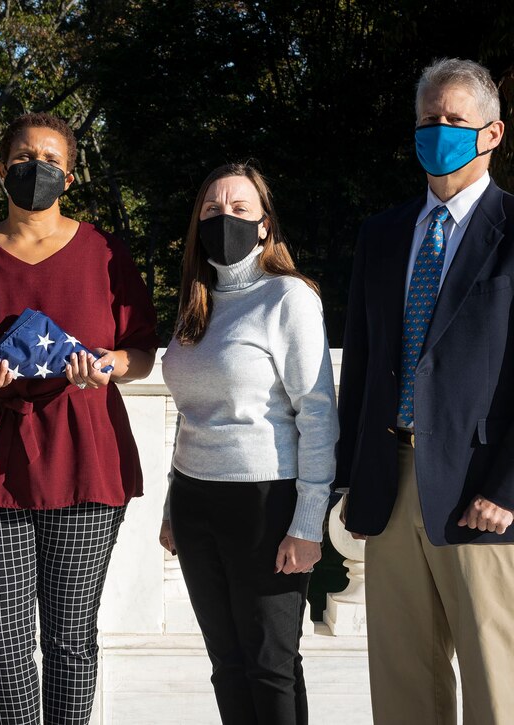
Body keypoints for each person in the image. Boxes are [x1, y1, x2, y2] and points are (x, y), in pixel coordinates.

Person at [0, 112, 158, 725]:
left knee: (71, 641)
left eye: (51, 160)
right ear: (1, 169)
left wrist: (110, 365)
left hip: (84, 455)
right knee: (1, 644)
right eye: (24, 157)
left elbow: (142, 353)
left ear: (70, 177)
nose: (37, 169)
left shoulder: (105, 253)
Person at [337, 57, 514, 724]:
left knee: (498, 689)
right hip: (390, 482)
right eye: (427, 120)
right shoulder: (382, 234)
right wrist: (348, 479)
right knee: (403, 687)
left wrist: (507, 488)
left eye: (454, 120)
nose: (437, 131)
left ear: (493, 132)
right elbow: (362, 365)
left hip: (483, 492)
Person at [157, 163, 337, 725]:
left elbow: (318, 414)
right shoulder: (197, 303)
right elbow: (192, 414)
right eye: (212, 210)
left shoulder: (288, 298)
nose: (224, 218)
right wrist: (171, 505)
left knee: (270, 665)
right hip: (195, 502)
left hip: (266, 503)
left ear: (265, 226)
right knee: (225, 663)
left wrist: (308, 523)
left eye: (239, 209)